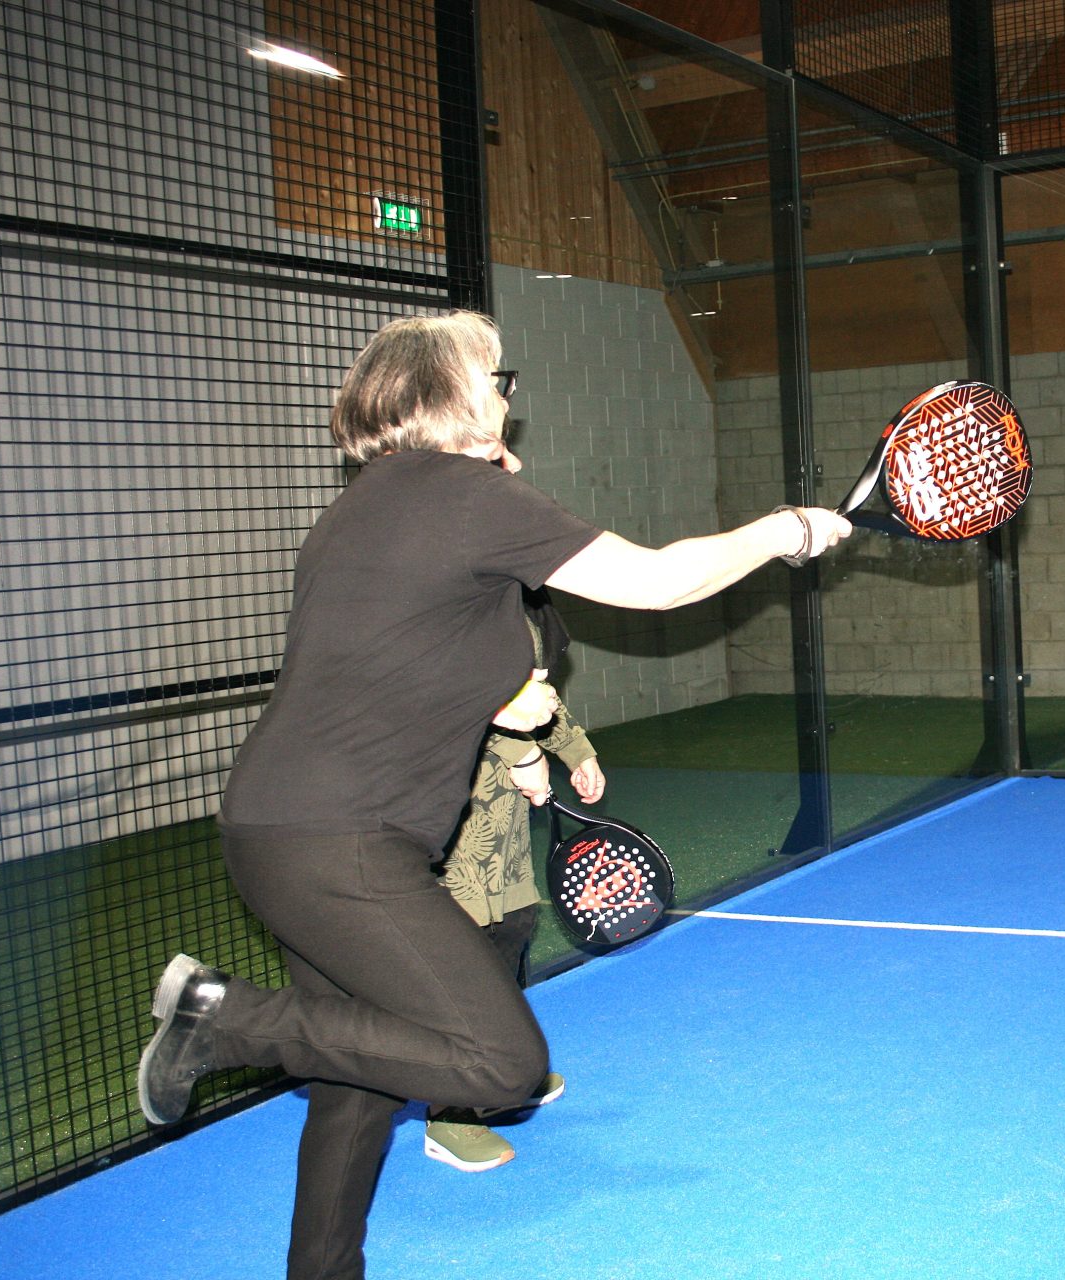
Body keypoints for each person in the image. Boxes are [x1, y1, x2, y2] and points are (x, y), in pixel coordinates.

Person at [135, 310, 849, 1280]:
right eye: (496, 376)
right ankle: (223, 1019)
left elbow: (408, 651)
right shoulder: (462, 497)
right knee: (500, 1062)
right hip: (341, 842)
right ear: (453, 393)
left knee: (359, 1074)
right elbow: (657, 581)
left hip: (279, 827)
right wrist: (785, 529)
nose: (510, 392)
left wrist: (510, 706)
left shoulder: (369, 505)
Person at [422, 591, 603, 1172]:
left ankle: (503, 1072)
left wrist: (576, 752)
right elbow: (454, 700)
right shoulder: (444, 618)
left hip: (506, 833)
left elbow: (536, 700)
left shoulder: (518, 608)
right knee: (461, 965)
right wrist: (520, 751)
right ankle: (451, 1112)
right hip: (447, 826)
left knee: (514, 931)